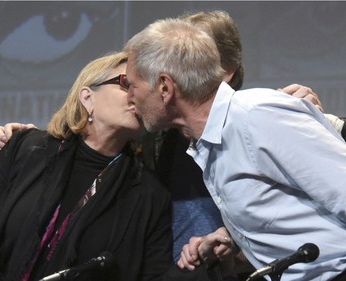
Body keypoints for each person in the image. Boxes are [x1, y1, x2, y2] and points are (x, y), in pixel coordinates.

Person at [123, 17, 346, 281]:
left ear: (165, 87)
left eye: (132, 85)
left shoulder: (255, 116)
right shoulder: (209, 143)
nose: (129, 97)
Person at [0, 52, 174, 281]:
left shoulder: (150, 194)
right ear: (87, 98)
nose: (136, 96)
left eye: (142, 88)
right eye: (126, 84)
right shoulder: (25, 149)